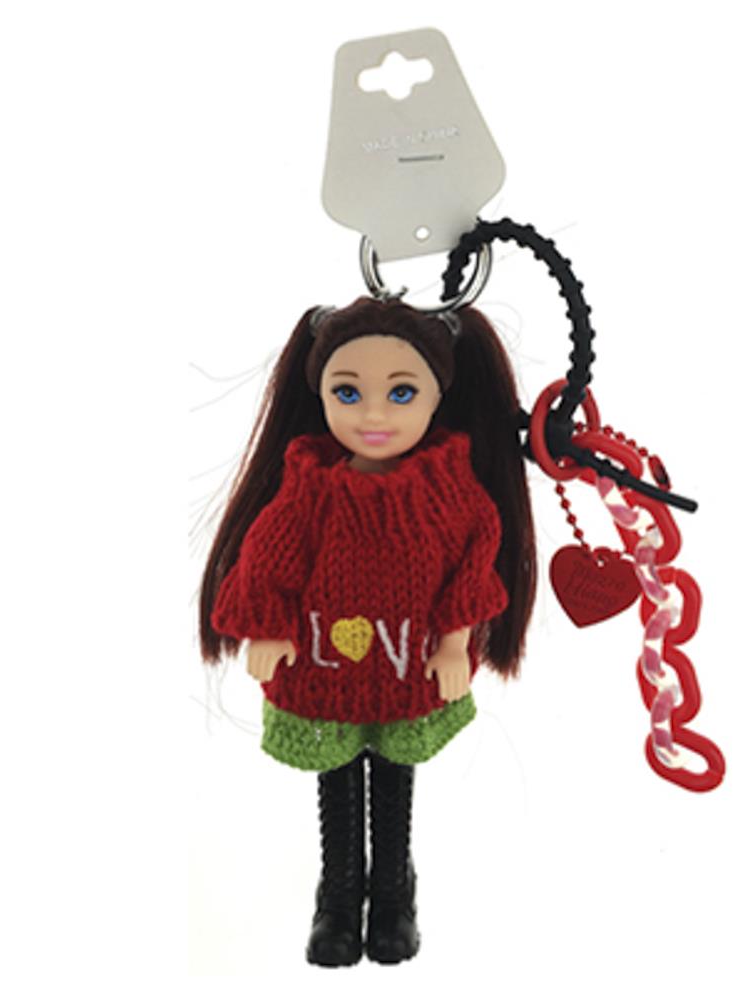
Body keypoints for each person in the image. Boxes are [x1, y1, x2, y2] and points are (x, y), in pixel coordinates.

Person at [199, 295, 537, 966]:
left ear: (437, 397)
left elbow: (473, 561)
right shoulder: (310, 487)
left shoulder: (450, 492)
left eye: (400, 393)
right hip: (324, 669)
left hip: (409, 667)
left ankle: (392, 893)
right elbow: (269, 555)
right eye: (347, 393)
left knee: (393, 771)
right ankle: (338, 893)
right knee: (336, 776)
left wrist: (454, 642)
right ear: (320, 393)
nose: (373, 416)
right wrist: (266, 627)